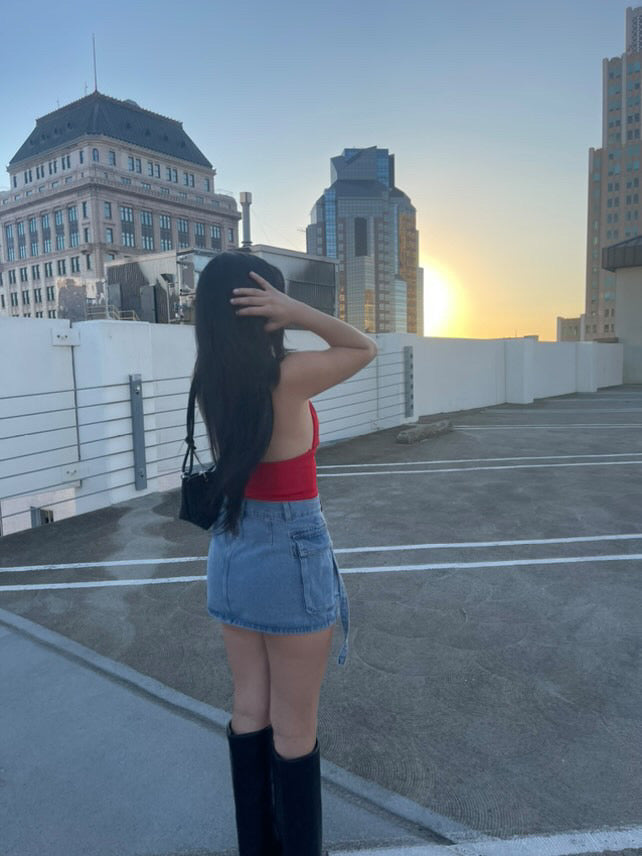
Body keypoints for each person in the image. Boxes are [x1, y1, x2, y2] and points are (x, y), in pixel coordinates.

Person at [191, 251, 377, 855]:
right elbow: (362, 347)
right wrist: (298, 311)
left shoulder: (212, 377)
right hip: (288, 548)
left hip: (231, 545)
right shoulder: (287, 375)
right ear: (263, 305)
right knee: (295, 727)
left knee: (251, 708)